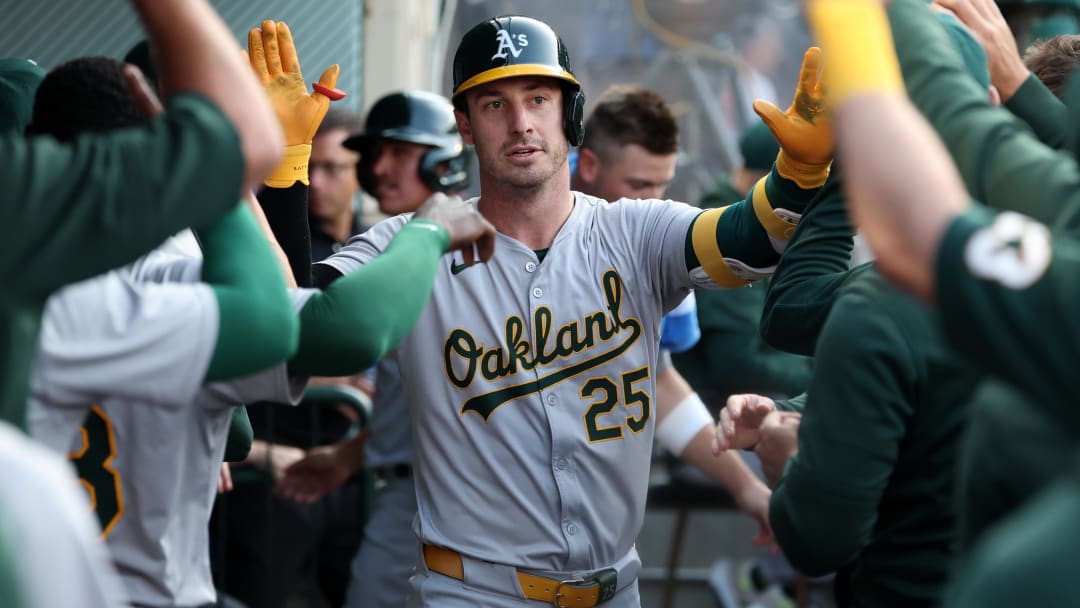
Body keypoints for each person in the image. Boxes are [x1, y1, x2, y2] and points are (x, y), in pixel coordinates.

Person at [304, 15, 831, 606]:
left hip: (615, 589)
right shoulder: (412, 241)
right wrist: (274, 182)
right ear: (466, 126)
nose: (521, 122)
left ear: (570, 114)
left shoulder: (635, 230)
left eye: (538, 98)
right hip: (473, 593)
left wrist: (797, 178)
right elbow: (309, 331)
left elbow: (748, 242)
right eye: (494, 104)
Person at [25, 25, 496, 608]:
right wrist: (427, 230)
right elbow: (313, 328)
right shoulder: (165, 272)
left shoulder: (30, 281)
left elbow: (242, 417)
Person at [274, 89, 473, 608]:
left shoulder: (473, 243)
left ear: (445, 162)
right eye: (374, 154)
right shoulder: (385, 245)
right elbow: (293, 308)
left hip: (473, 497)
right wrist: (348, 455)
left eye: (401, 153)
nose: (380, 169)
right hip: (406, 490)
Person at [309, 106, 368, 261]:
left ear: (360, 170)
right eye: (306, 168)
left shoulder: (377, 243)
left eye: (331, 168)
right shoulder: (282, 247)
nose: (315, 182)